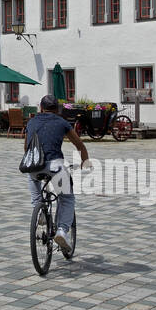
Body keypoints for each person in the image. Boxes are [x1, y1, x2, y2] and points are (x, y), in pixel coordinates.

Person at [23, 94, 91, 257]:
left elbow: (26, 148)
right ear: (57, 109)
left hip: (34, 166)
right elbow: (79, 144)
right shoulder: (62, 122)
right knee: (67, 198)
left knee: (33, 180)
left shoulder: (31, 122)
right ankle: (61, 231)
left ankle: (38, 209)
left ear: (41, 108)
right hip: (56, 166)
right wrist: (85, 162)